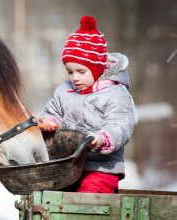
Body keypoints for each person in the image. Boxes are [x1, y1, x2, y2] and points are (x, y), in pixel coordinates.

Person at [38, 15, 137, 193]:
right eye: (69, 72)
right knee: (51, 196)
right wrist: (49, 122)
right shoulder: (64, 90)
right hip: (67, 166)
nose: (74, 78)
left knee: (86, 198)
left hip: (101, 168)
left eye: (81, 71)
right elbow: (53, 112)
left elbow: (120, 124)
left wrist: (102, 138)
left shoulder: (115, 93)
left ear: (97, 68)